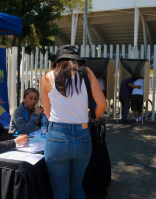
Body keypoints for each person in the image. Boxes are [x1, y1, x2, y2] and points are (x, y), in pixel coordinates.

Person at [41, 45, 107, 199]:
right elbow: (102, 105)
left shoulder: (47, 77)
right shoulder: (87, 73)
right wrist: (92, 118)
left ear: (58, 60)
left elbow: (47, 112)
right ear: (77, 60)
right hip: (83, 136)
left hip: (57, 136)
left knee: (60, 193)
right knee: (77, 189)